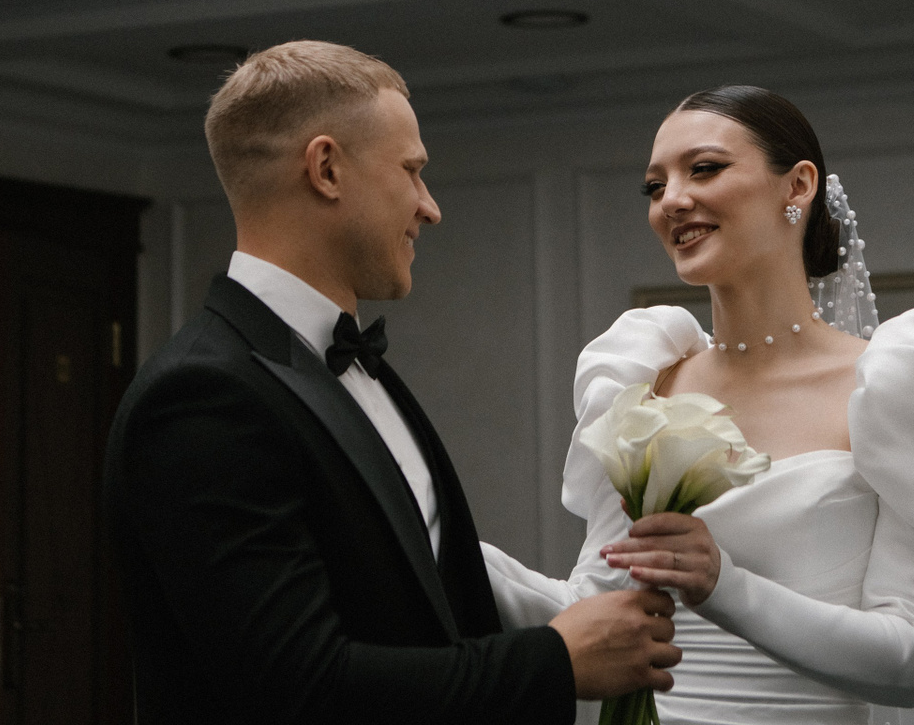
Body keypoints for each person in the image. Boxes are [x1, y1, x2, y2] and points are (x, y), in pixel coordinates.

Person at [104, 40, 682, 725]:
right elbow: (296, 688)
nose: (429, 207)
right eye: (412, 171)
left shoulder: (353, 365)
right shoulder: (201, 397)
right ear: (326, 169)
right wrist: (554, 660)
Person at [481, 85, 914, 725]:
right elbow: (590, 606)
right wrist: (438, 540)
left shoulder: (904, 386)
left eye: (704, 169)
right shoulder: (642, 380)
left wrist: (724, 585)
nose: (671, 200)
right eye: (654, 186)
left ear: (798, 186)